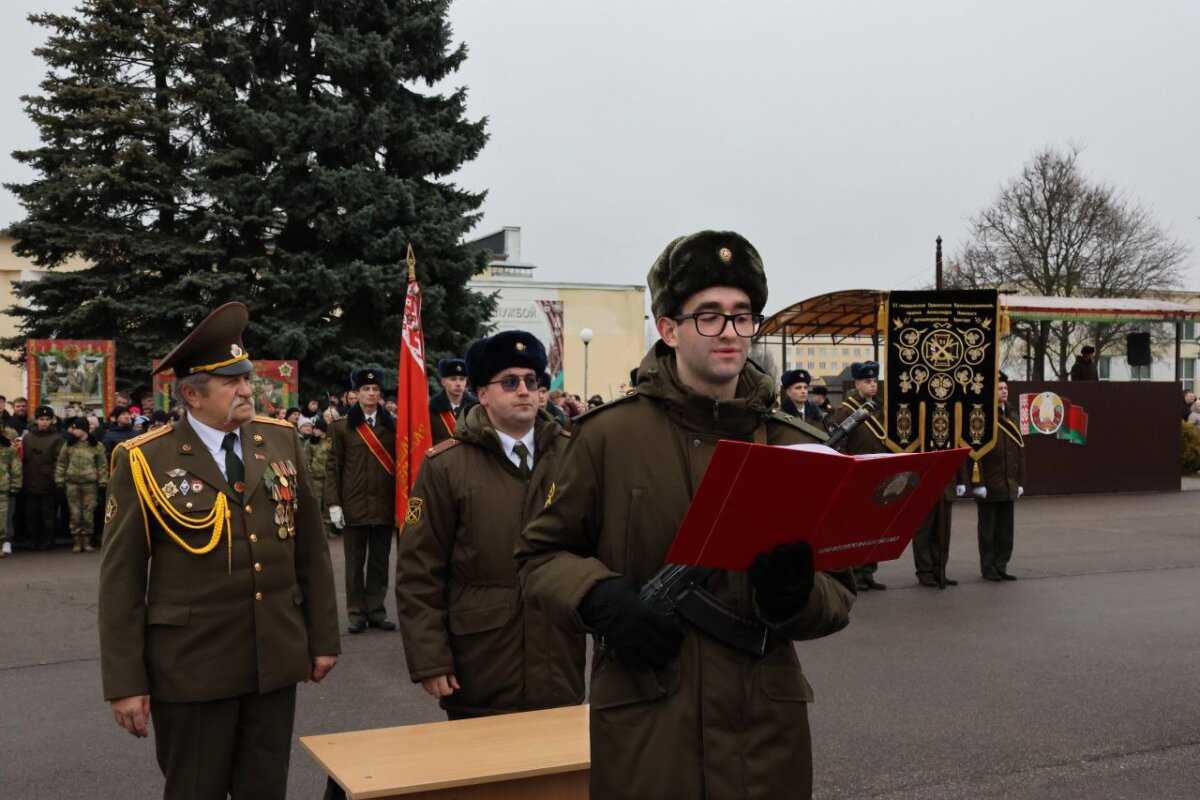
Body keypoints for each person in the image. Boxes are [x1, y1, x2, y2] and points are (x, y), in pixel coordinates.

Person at [516, 230, 856, 799]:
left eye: (743, 315)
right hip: (649, 725)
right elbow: (538, 557)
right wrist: (597, 596)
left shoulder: (796, 446)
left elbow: (839, 591)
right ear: (669, 328)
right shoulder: (608, 438)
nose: (729, 331)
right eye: (709, 315)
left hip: (764, 732)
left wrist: (796, 598)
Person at [98, 302, 340, 800]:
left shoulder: (278, 441)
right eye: (232, 382)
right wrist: (125, 682)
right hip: (192, 669)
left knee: (265, 789)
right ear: (191, 394)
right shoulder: (145, 459)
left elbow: (311, 549)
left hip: (273, 658)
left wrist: (321, 638)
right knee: (195, 790)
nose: (249, 390)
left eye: (247, 377)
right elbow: (120, 583)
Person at [397, 331, 584, 719]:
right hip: (481, 661)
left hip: (556, 654)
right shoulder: (446, 466)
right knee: (483, 773)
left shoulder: (573, 455)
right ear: (482, 394)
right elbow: (420, 571)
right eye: (510, 382)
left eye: (532, 381)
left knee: (554, 775)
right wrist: (431, 659)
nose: (524, 391)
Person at [325, 366, 398, 634]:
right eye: (365, 389)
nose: (370, 393)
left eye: (375, 389)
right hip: (353, 503)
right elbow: (332, 466)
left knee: (380, 561)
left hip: (383, 503)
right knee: (354, 563)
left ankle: (377, 610)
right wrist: (333, 503)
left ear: (380, 395)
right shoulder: (341, 427)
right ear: (355, 394)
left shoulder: (392, 426)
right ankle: (356, 612)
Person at [832, 361, 889, 591]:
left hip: (878, 472)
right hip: (858, 472)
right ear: (857, 383)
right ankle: (854, 572)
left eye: (875, 381)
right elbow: (837, 440)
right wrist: (848, 465)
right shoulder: (846, 410)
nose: (873, 385)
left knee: (873, 524)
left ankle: (868, 572)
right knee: (854, 526)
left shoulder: (879, 407)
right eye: (868, 381)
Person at [972, 371, 1027, 581]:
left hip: (1008, 482)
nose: (1004, 391)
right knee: (987, 531)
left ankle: (1001, 565)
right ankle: (988, 568)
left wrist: (1021, 481)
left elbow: (1020, 451)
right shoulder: (982, 416)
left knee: (1005, 530)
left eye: (1005, 388)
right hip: (990, 483)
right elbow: (975, 450)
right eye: (999, 388)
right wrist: (978, 482)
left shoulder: (1012, 415)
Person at [55, 417, 107, 553]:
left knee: (88, 513)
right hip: (72, 483)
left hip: (90, 484)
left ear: (83, 429)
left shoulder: (96, 445)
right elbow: (61, 463)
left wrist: (102, 481)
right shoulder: (69, 445)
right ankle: (77, 539)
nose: (73, 431)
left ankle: (87, 539)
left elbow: (102, 465)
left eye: (76, 428)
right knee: (75, 513)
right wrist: (59, 480)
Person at [23, 406, 64, 550]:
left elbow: (60, 459)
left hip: (49, 481)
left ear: (52, 421)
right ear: (36, 420)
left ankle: (48, 539)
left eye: (47, 419)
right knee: (31, 513)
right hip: (30, 479)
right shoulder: (28, 437)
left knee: (48, 513)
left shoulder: (57, 438)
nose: (44, 422)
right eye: (41, 419)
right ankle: (33, 539)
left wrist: (56, 477)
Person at [428, 358, 477, 445]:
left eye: (462, 379)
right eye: (453, 379)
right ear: (443, 382)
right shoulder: (431, 409)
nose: (458, 383)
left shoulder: (476, 407)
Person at [0, 425, 22, 557]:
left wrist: (15, 486)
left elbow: (16, 468)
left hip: (4, 487)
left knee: (5, 517)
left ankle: (4, 542)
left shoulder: (8, 447)